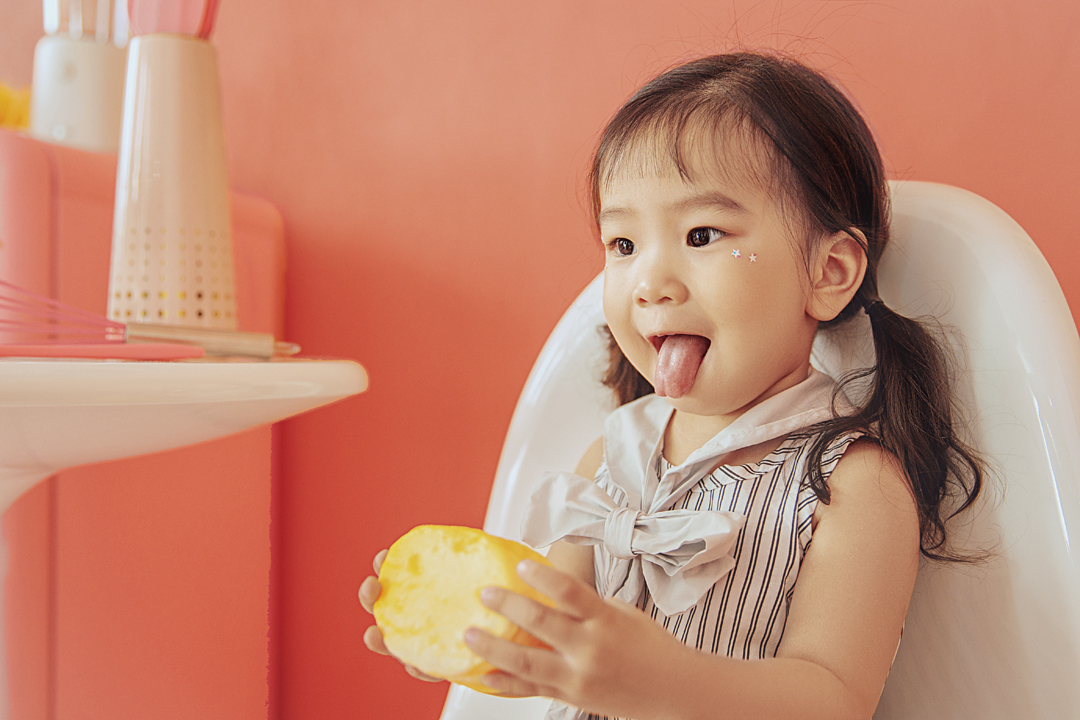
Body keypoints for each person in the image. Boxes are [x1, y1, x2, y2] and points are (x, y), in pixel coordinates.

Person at [359, 51, 983, 720]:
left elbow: (833, 699)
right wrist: (480, 637)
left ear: (828, 271)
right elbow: (551, 636)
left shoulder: (849, 485)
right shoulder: (610, 458)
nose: (650, 283)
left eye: (701, 233)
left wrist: (659, 682)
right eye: (623, 245)